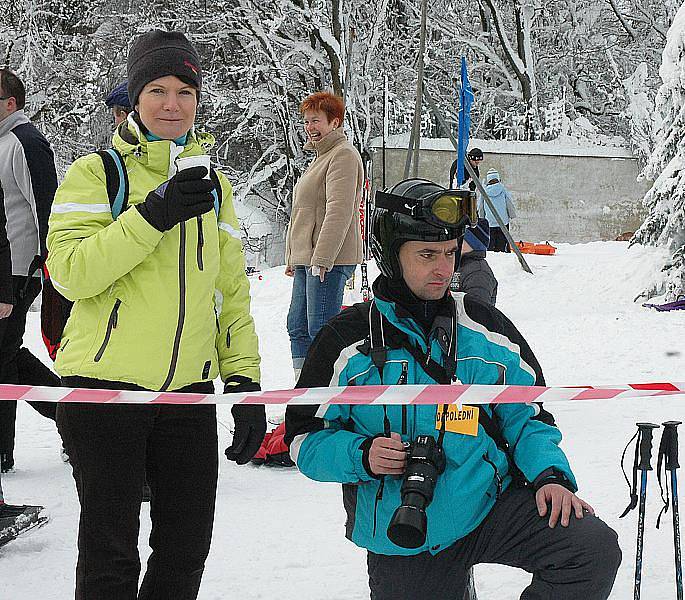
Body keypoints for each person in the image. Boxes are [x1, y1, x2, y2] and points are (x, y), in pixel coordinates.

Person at [285, 178, 621, 600]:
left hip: (487, 502)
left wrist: (550, 476)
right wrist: (361, 456)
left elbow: (528, 415)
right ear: (391, 255)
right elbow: (301, 439)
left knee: (588, 550)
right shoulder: (346, 341)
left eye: (449, 253)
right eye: (427, 255)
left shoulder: (485, 329)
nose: (444, 269)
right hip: (403, 528)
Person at [47, 30, 264, 600]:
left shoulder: (214, 183)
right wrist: (151, 216)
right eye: (158, 90)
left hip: (187, 393)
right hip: (103, 389)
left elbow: (229, 290)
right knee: (110, 554)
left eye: (185, 91)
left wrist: (244, 380)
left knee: (187, 547)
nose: (173, 104)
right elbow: (70, 271)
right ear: (135, 97)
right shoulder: (96, 173)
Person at [0, 69, 60, 473]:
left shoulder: (26, 142)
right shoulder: (4, 142)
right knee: (6, 357)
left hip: (19, 269)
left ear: (10, 103)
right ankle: (77, 414)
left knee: (4, 359)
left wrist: (45, 266)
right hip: (6, 267)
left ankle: (76, 414)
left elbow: (48, 207)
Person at [284, 91, 363, 380]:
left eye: (316, 120)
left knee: (321, 328)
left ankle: (327, 392)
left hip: (328, 258)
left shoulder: (343, 155)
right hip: (309, 258)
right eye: (306, 121)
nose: (310, 127)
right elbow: (304, 212)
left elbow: (338, 211)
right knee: (297, 325)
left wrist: (323, 257)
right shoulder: (320, 158)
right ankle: (304, 390)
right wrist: (295, 256)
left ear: (334, 122)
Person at [454, 218, 498, 306]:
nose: (456, 242)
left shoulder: (479, 272)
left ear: (473, 244)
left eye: (461, 239)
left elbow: (478, 310)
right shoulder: (459, 263)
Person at [480, 168, 516, 252]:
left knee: (490, 245)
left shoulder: (484, 191)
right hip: (503, 222)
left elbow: (480, 207)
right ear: (498, 178)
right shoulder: (503, 190)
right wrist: (512, 215)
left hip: (490, 223)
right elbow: (509, 203)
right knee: (502, 244)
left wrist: (482, 218)